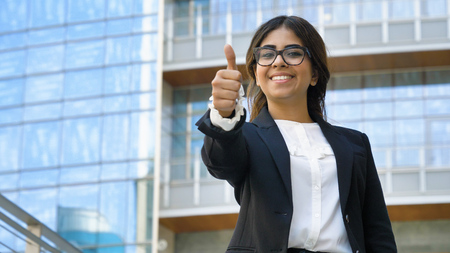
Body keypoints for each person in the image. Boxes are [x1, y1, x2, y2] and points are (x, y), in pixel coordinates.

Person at [196, 15, 397, 253]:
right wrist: (224, 113)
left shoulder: (355, 144)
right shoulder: (245, 137)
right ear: (257, 75)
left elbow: (377, 232)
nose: (278, 62)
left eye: (293, 53)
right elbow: (220, 163)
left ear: (314, 74)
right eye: (267, 54)